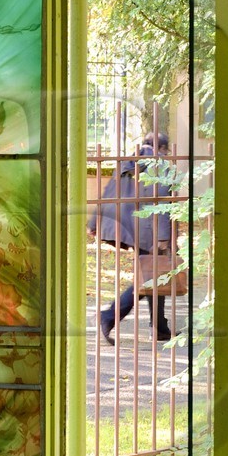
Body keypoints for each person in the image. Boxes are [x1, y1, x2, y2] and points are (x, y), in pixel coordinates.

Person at [88, 130, 172, 344]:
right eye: (166, 150)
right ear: (162, 148)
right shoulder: (159, 163)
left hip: (131, 226)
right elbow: (161, 200)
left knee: (155, 274)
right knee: (151, 278)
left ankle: (160, 327)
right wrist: (163, 236)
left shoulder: (129, 160)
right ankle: (108, 316)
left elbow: (109, 191)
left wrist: (94, 222)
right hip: (150, 229)